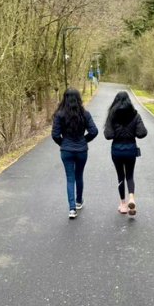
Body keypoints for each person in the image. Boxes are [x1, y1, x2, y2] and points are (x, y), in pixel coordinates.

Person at [52, 88, 98, 218]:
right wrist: (84, 140)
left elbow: (55, 135)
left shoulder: (59, 115)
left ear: (64, 99)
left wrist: (63, 143)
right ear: (78, 99)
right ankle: (79, 201)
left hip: (66, 150)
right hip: (81, 150)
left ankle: (72, 209)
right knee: (79, 175)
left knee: (70, 178)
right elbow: (94, 131)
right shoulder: (85, 114)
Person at [104, 91, 147, 215]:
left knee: (120, 175)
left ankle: (123, 205)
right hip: (130, 149)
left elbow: (108, 135)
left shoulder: (112, 115)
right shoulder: (135, 115)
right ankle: (131, 197)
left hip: (117, 149)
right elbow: (142, 133)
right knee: (130, 175)